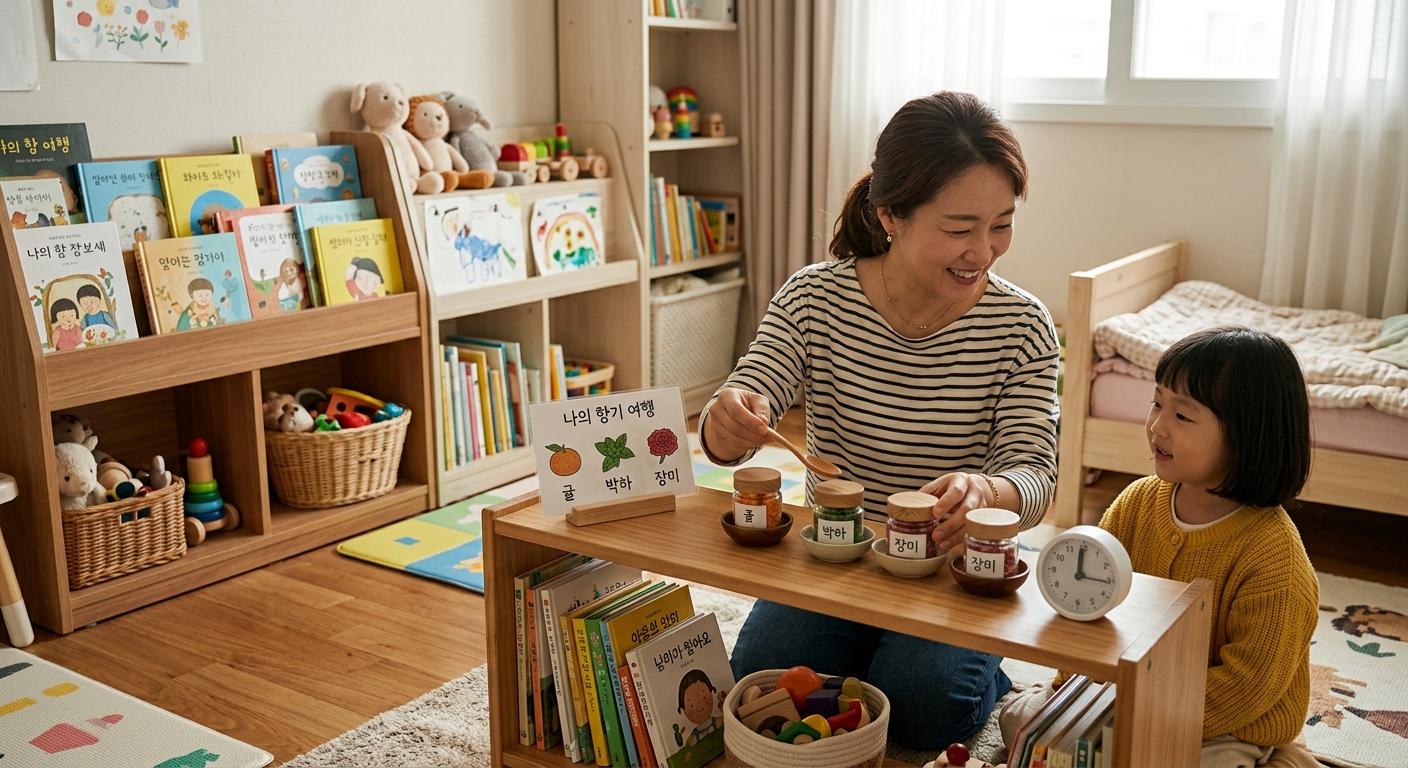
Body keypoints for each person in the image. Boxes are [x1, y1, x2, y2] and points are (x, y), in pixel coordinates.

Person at [701, 91, 1060, 749]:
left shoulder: (1022, 325)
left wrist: (989, 490)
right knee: (762, 683)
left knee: (922, 714)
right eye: (959, 228)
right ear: (890, 215)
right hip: (839, 553)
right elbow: (753, 387)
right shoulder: (815, 297)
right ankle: (886, 657)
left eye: (1001, 224)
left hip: (955, 564)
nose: (982, 251)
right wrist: (727, 423)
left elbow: (1035, 473)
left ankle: (977, 667)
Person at [1000, 327, 1321, 768]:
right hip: (1116, 698)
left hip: (1215, 726)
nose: (1157, 425)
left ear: (1248, 435)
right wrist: (1070, 694)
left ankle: (1282, 760)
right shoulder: (1136, 504)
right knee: (1018, 717)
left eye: (1183, 416)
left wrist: (1137, 715)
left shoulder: (1273, 558)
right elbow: (1087, 609)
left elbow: (1247, 689)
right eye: (1156, 403)